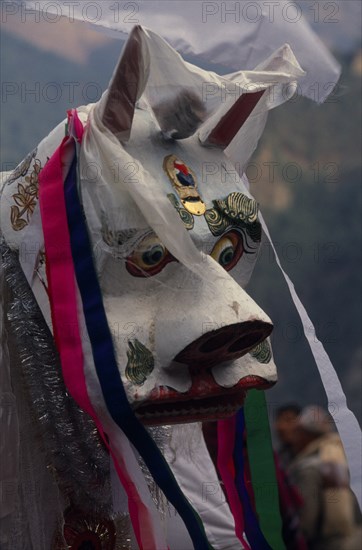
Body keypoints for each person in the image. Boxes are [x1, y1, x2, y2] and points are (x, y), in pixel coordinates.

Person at [288, 405, 362, 550]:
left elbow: (307, 519)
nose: (294, 438)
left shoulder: (308, 468)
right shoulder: (345, 460)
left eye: (297, 432)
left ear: (306, 434)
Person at [274, 404, 302, 470]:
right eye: (279, 421)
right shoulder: (278, 458)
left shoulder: (319, 453)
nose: (281, 427)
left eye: (288, 420)